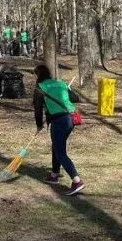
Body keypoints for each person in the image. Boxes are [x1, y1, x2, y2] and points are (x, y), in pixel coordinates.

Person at [33, 64, 84, 196]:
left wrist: (39, 125)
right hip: (71, 119)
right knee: (57, 146)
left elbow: (37, 110)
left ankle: (76, 181)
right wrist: (67, 90)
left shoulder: (40, 88)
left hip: (60, 120)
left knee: (60, 151)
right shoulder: (60, 83)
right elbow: (75, 98)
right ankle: (54, 175)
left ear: (38, 75)